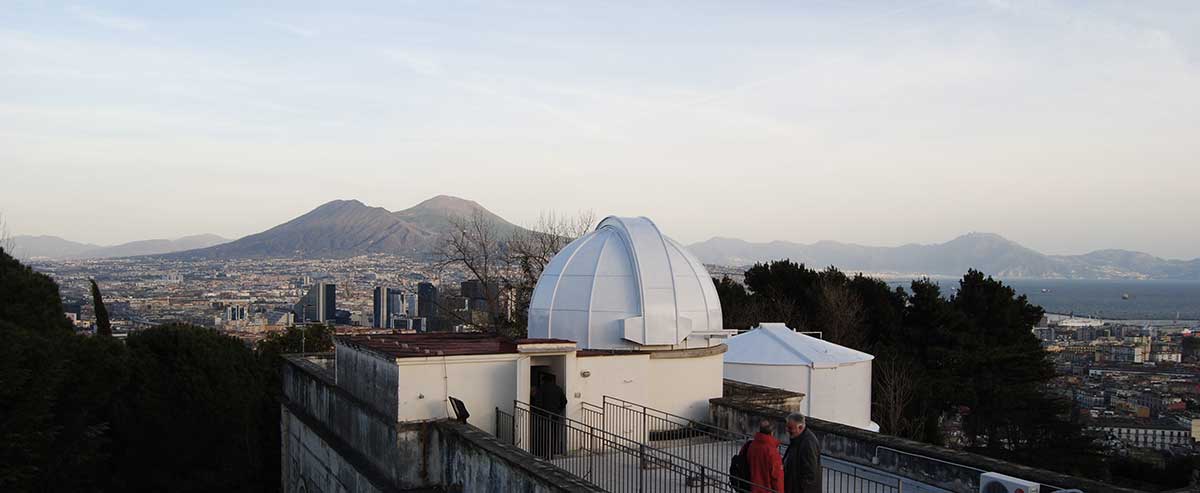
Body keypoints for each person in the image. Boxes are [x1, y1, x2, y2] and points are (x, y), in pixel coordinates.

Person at [782, 413, 821, 493]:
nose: (787, 430)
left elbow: (809, 475)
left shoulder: (808, 443)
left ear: (800, 427)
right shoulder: (797, 438)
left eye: (790, 427)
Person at [745, 419, 784, 493]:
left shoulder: (752, 445)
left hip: (752, 488)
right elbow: (777, 477)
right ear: (772, 432)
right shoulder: (772, 451)